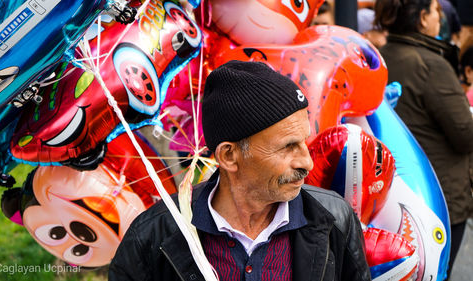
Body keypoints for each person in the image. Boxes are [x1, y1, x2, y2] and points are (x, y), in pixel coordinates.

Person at [108, 61, 371, 281]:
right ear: (229, 156)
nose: (307, 163)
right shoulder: (154, 237)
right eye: (288, 147)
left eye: (304, 142)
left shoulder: (334, 219)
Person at [374, 0, 473, 279]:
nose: (439, 16)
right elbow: (465, 135)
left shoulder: (379, 55)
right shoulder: (431, 65)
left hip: (386, 194)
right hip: (437, 197)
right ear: (421, 18)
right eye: (434, 9)